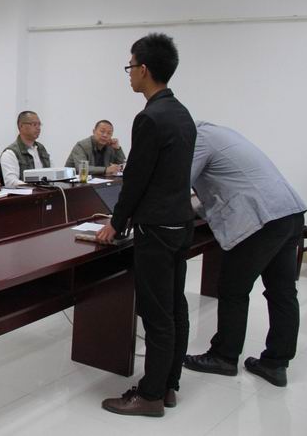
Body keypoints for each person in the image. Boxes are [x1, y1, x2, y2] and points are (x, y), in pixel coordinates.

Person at [97, 33, 196, 417]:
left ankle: (150, 395)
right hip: (180, 222)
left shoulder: (150, 117)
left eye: (130, 66)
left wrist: (116, 222)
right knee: (174, 307)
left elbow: (137, 178)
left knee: (156, 315)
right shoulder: (181, 112)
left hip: (156, 228)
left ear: (145, 69)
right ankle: (169, 385)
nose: (129, 73)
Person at [183, 122, 306, 387]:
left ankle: (223, 357)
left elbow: (178, 184)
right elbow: (221, 188)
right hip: (288, 213)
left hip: (261, 219)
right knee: (282, 292)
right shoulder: (220, 133)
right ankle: (276, 364)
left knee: (232, 289)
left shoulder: (197, 138)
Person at [0, 111, 51, 188]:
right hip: (27, 194)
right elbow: (11, 182)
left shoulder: (41, 149)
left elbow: (52, 172)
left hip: (45, 192)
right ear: (21, 126)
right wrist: (35, 187)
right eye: (34, 124)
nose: (38, 128)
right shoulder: (10, 153)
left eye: (39, 124)